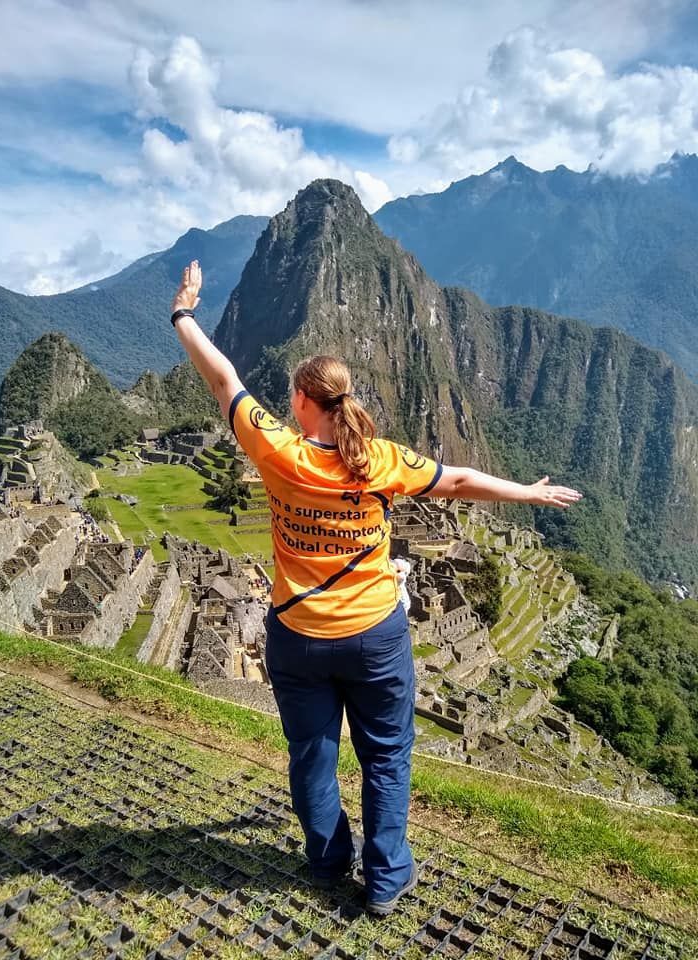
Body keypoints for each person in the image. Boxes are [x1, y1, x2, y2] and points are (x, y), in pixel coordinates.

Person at [170, 260, 582, 914]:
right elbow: (461, 481)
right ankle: (386, 880)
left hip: (299, 637)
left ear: (302, 402)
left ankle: (330, 862)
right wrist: (527, 493)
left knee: (311, 757)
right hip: (374, 639)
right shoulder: (381, 460)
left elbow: (223, 379)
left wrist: (183, 315)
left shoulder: (277, 452)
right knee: (386, 761)